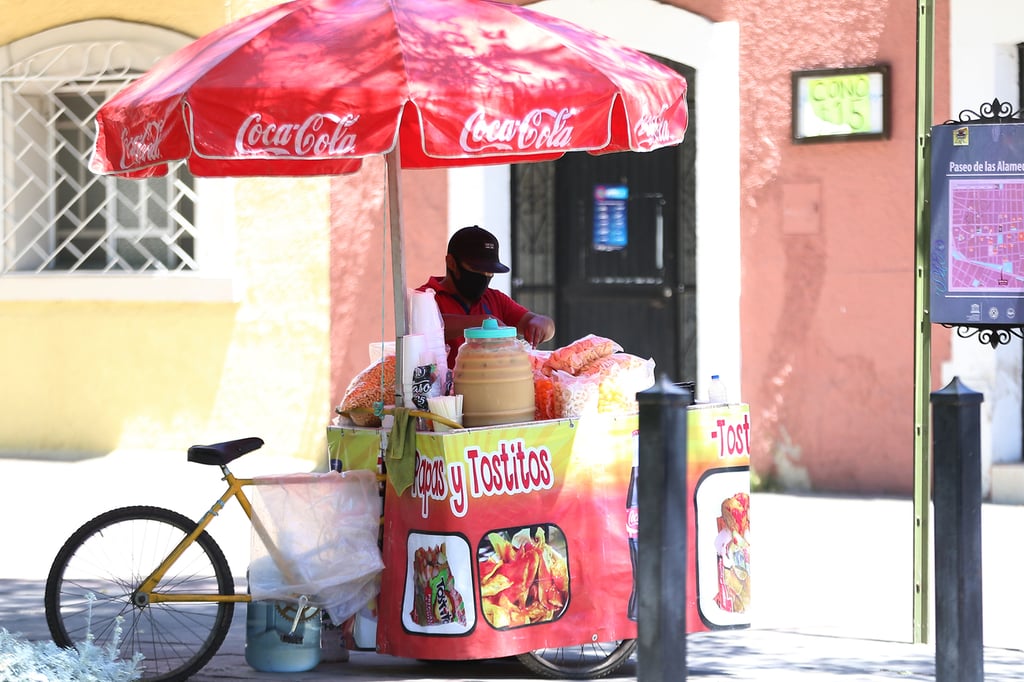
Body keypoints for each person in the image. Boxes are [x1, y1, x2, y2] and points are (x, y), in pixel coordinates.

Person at [418, 225, 555, 369]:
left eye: (489, 272)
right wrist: (484, 322)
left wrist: (542, 323)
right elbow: (426, 327)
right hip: (443, 389)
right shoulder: (424, 297)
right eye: (476, 269)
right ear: (451, 263)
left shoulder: (494, 298)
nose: (484, 277)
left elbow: (539, 323)